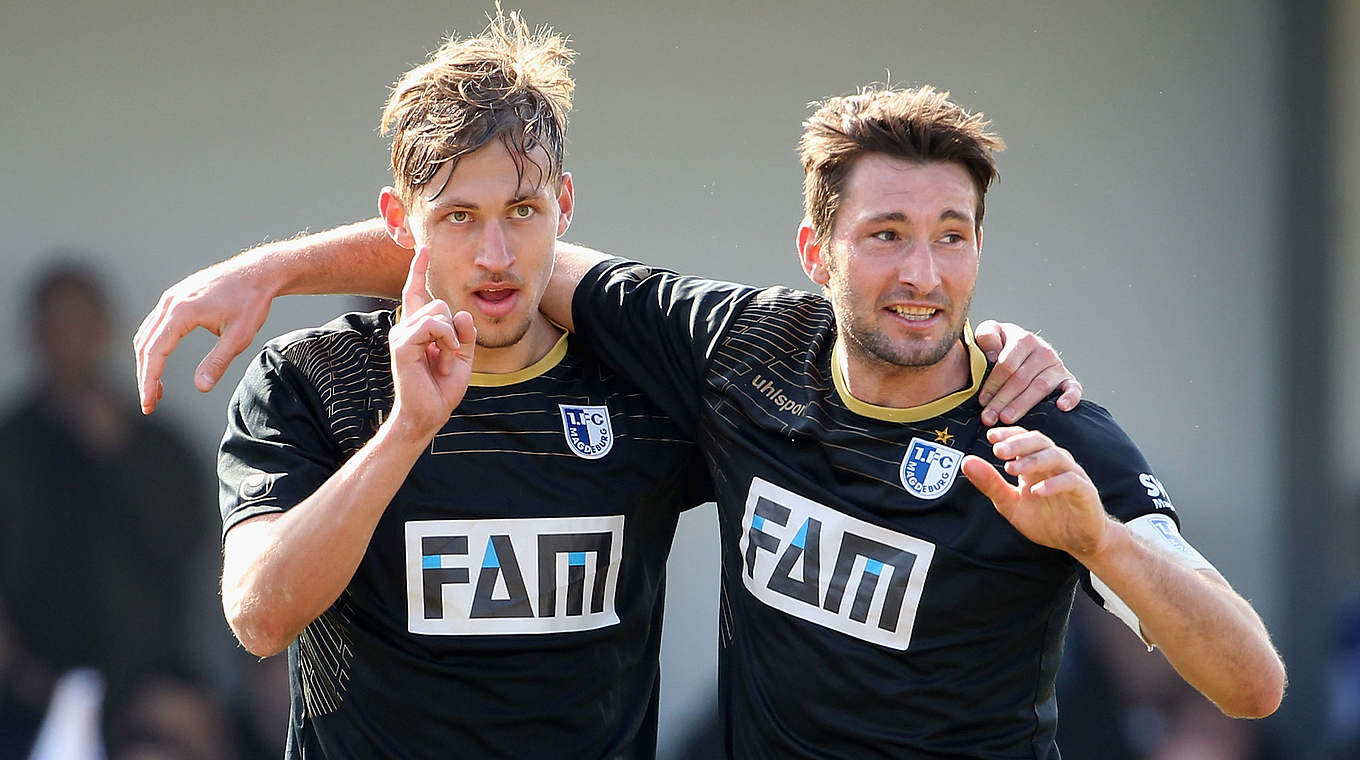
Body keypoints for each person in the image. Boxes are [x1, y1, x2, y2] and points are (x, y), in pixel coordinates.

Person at [129, 53, 1162, 760]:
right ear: (403, 222)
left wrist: (974, 348)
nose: (495, 254)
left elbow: (859, 386)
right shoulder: (316, 379)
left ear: (563, 211)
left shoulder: (645, 384)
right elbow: (260, 616)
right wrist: (405, 429)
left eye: (523, 212)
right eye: (458, 217)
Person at [0, 260, 214, 756]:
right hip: (23, 689)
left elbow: (190, 542)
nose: (67, 341)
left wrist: (120, 451)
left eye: (79, 325)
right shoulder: (11, 445)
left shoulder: (156, 441)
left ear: (103, 331)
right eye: (54, 327)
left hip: (147, 690)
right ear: (34, 336)